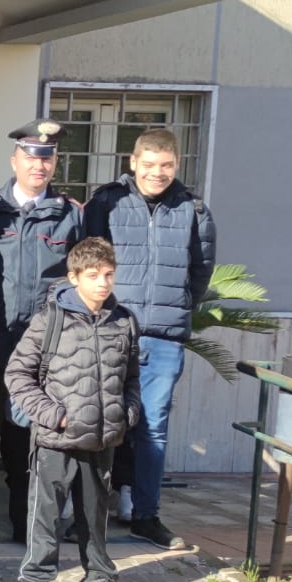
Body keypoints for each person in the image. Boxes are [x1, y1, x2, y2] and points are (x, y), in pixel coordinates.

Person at [87, 128, 214, 550]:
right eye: (150, 165)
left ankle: (146, 515)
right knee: (100, 420)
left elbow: (201, 270)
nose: (157, 173)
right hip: (110, 328)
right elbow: (87, 260)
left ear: (176, 165)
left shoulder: (193, 208)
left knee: (153, 428)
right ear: (133, 162)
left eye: (166, 166)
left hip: (162, 337)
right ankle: (90, 516)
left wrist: (174, 309)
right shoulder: (107, 201)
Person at [7, 237, 142, 582]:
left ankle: (98, 577)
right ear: (73, 277)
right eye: (93, 275)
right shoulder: (50, 320)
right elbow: (17, 374)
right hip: (55, 441)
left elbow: (131, 376)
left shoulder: (124, 321)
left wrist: (127, 412)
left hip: (103, 440)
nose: (103, 282)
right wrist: (52, 415)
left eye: (109, 275)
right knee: (45, 518)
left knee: (94, 514)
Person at [0, 120, 84, 548]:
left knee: (28, 441)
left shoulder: (72, 214)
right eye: (32, 156)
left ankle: (24, 521)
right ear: (15, 159)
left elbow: (77, 282)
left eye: (48, 158)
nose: (40, 165)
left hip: (41, 355)